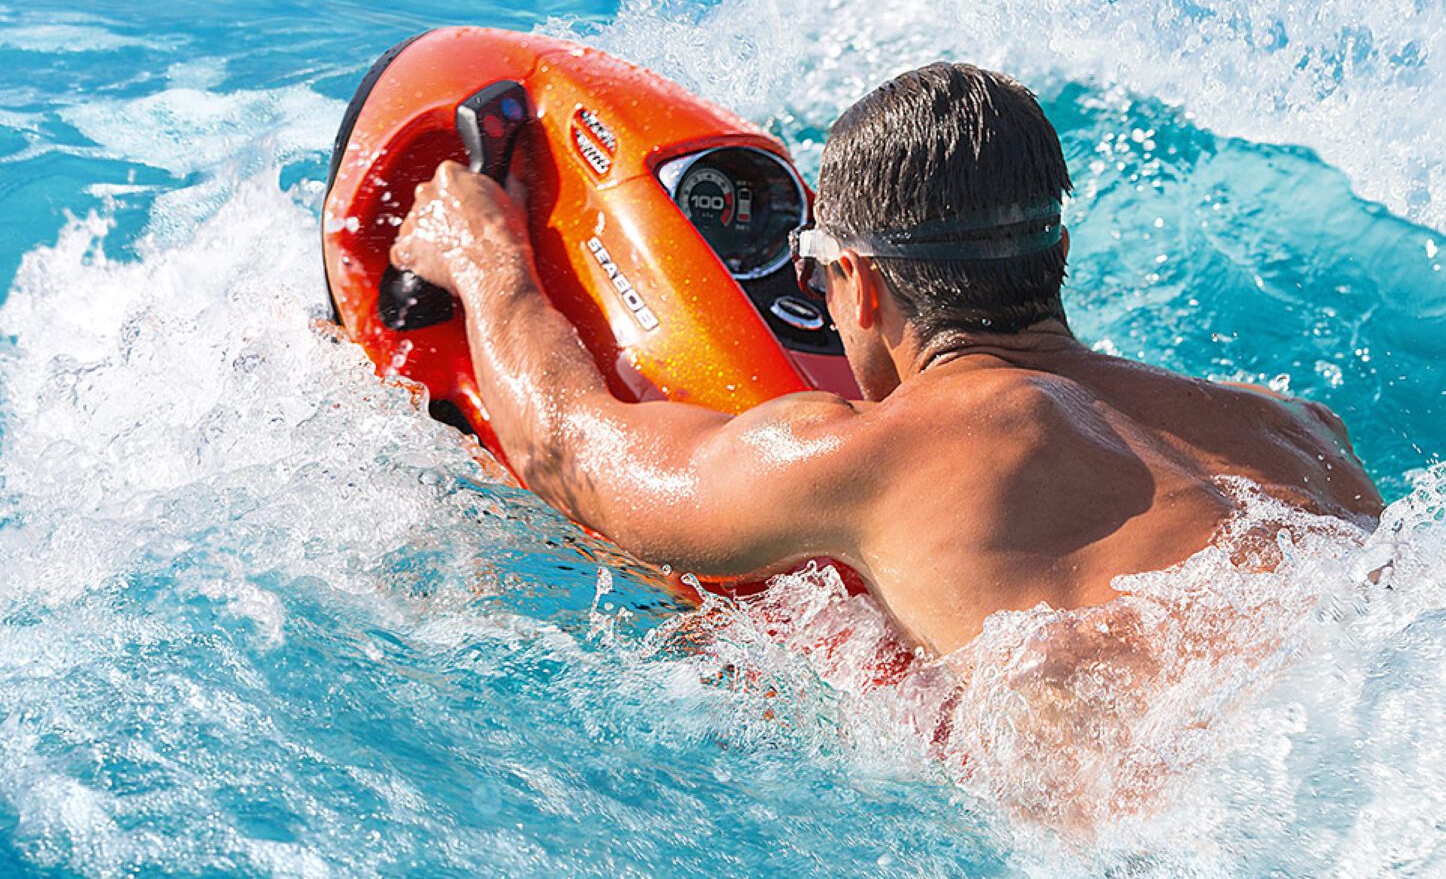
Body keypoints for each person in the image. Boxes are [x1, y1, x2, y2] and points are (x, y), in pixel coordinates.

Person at [390, 62, 1383, 657]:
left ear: (857, 283)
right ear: (1059, 257)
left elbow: (569, 448)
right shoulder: (1293, 429)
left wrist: (488, 262)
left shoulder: (869, 457)